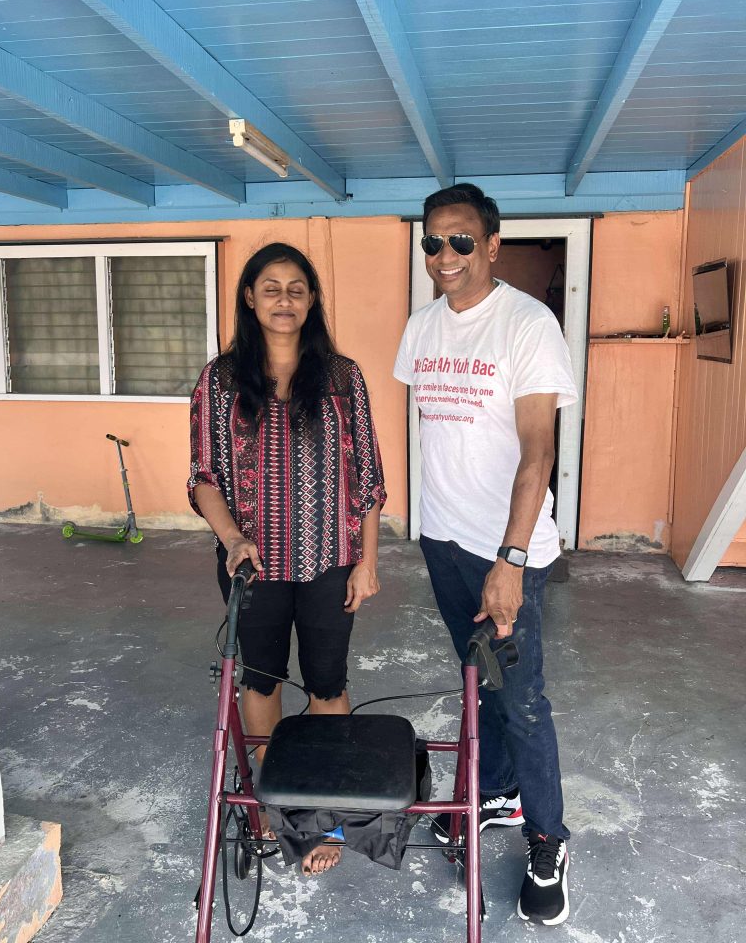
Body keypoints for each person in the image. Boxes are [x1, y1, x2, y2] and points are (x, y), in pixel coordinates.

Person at [394, 184, 577, 926]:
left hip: (506, 550)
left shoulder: (528, 325)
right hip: (443, 540)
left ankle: (548, 839)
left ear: (492, 245)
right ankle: (495, 794)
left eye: (461, 241)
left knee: (522, 700)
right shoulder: (421, 328)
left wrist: (511, 558)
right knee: (480, 682)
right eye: (433, 242)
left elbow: (538, 453)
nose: (446, 255)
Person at [188, 242, 386, 877]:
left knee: (328, 682)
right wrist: (231, 539)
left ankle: (323, 812)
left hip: (331, 559)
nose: (283, 299)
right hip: (252, 566)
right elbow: (203, 476)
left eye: (296, 288)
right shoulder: (220, 380)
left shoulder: (342, 378)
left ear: (311, 300)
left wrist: (368, 561)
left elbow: (367, 479)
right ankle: (272, 803)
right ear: (249, 297)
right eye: (270, 288)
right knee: (263, 680)